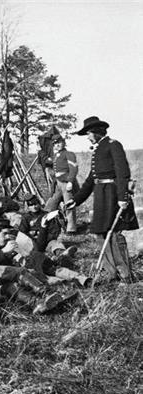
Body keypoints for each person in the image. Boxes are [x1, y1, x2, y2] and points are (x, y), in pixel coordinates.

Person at [67, 116, 139, 283]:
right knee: (100, 233)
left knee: (113, 234)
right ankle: (111, 272)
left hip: (113, 195)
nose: (88, 137)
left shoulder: (113, 145)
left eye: (89, 133)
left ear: (98, 132)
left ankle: (125, 275)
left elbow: (123, 173)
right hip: (101, 195)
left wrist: (123, 197)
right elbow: (91, 179)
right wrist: (76, 200)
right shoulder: (97, 149)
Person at [45, 134, 79, 234]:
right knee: (51, 204)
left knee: (69, 205)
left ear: (63, 142)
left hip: (66, 182)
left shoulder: (69, 154)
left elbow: (73, 168)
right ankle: (51, 225)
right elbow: (51, 164)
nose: (57, 145)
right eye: (55, 144)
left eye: (59, 143)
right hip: (58, 184)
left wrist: (70, 181)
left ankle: (71, 229)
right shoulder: (56, 155)